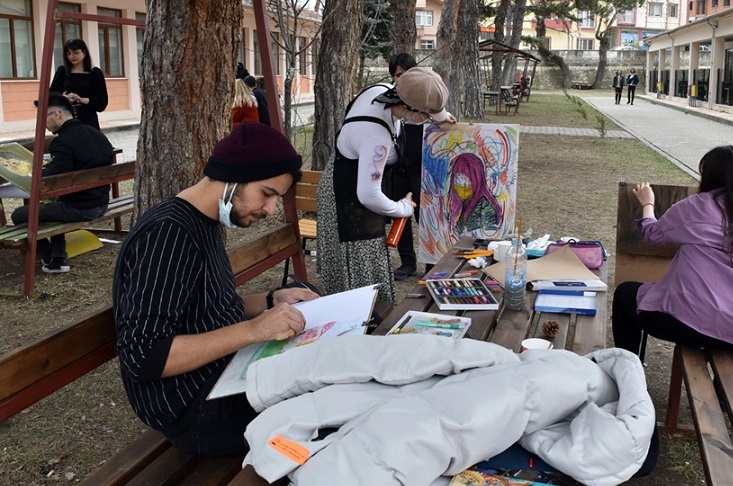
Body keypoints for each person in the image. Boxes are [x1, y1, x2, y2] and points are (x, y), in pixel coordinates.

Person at [113, 121, 315, 455]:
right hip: (195, 410)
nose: (270, 209)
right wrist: (253, 330)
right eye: (267, 194)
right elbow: (144, 356)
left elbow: (207, 308)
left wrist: (270, 299)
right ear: (233, 176)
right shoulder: (168, 234)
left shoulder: (202, 221)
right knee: (326, 411)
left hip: (223, 379)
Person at [612, 145, 733, 355]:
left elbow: (652, 235)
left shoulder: (696, 206)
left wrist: (648, 203)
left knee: (624, 294)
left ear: (709, 175)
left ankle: (627, 370)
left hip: (692, 324)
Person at [317, 67, 457, 303]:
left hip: (355, 180)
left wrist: (441, 116)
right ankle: (365, 319)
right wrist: (402, 208)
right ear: (413, 111)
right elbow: (368, 195)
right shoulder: (375, 137)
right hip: (346, 197)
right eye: (427, 116)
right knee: (363, 265)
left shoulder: (384, 91)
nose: (427, 121)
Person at [13, 93, 114, 274]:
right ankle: (58, 259)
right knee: (54, 204)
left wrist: (35, 172)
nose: (43, 124)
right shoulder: (96, 134)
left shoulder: (62, 142)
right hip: (101, 203)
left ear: (57, 115)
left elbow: (56, 179)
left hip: (80, 207)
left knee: (19, 215)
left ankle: (48, 255)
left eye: (44, 118)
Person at [384, 53, 422, 280]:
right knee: (401, 215)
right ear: (392, 77)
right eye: (399, 75)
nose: (403, 79)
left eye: (408, 74)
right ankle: (407, 263)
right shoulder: (386, 101)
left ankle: (431, 263)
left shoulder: (426, 98)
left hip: (420, 170)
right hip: (396, 170)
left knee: (424, 218)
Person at [48, 38, 108, 131]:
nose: (72, 56)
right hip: (67, 118)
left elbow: (101, 102)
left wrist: (81, 99)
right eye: (68, 53)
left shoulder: (95, 73)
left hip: (89, 118)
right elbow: (52, 96)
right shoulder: (62, 71)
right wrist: (63, 99)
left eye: (75, 52)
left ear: (84, 53)